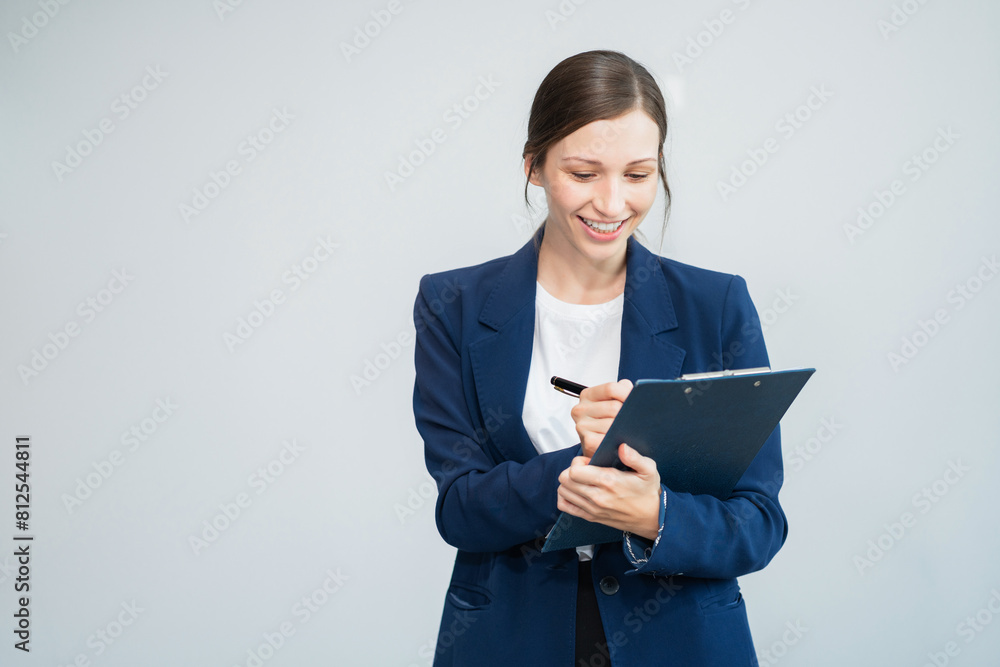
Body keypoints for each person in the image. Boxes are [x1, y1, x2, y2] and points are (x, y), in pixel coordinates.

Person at [411, 49, 787, 666]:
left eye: (637, 175)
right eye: (584, 173)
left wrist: (656, 515)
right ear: (534, 166)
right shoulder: (452, 304)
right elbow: (460, 510)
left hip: (681, 642)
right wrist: (580, 466)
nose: (612, 205)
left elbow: (758, 522)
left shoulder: (716, 305)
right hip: (510, 640)